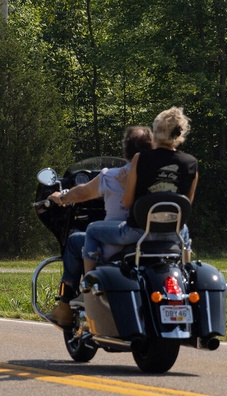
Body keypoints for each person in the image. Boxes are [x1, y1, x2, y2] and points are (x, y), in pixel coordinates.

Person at [47, 125, 152, 327]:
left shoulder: (112, 175)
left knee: (75, 239)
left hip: (115, 242)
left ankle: (68, 304)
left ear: (126, 150)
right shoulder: (156, 177)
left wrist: (60, 198)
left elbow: (82, 193)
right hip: (148, 240)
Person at [81, 106, 198, 273]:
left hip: (138, 232)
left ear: (155, 132)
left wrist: (124, 184)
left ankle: (88, 283)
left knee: (92, 230)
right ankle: (183, 271)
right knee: (184, 229)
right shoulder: (191, 163)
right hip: (173, 234)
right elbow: (186, 205)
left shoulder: (141, 158)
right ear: (180, 134)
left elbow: (127, 202)